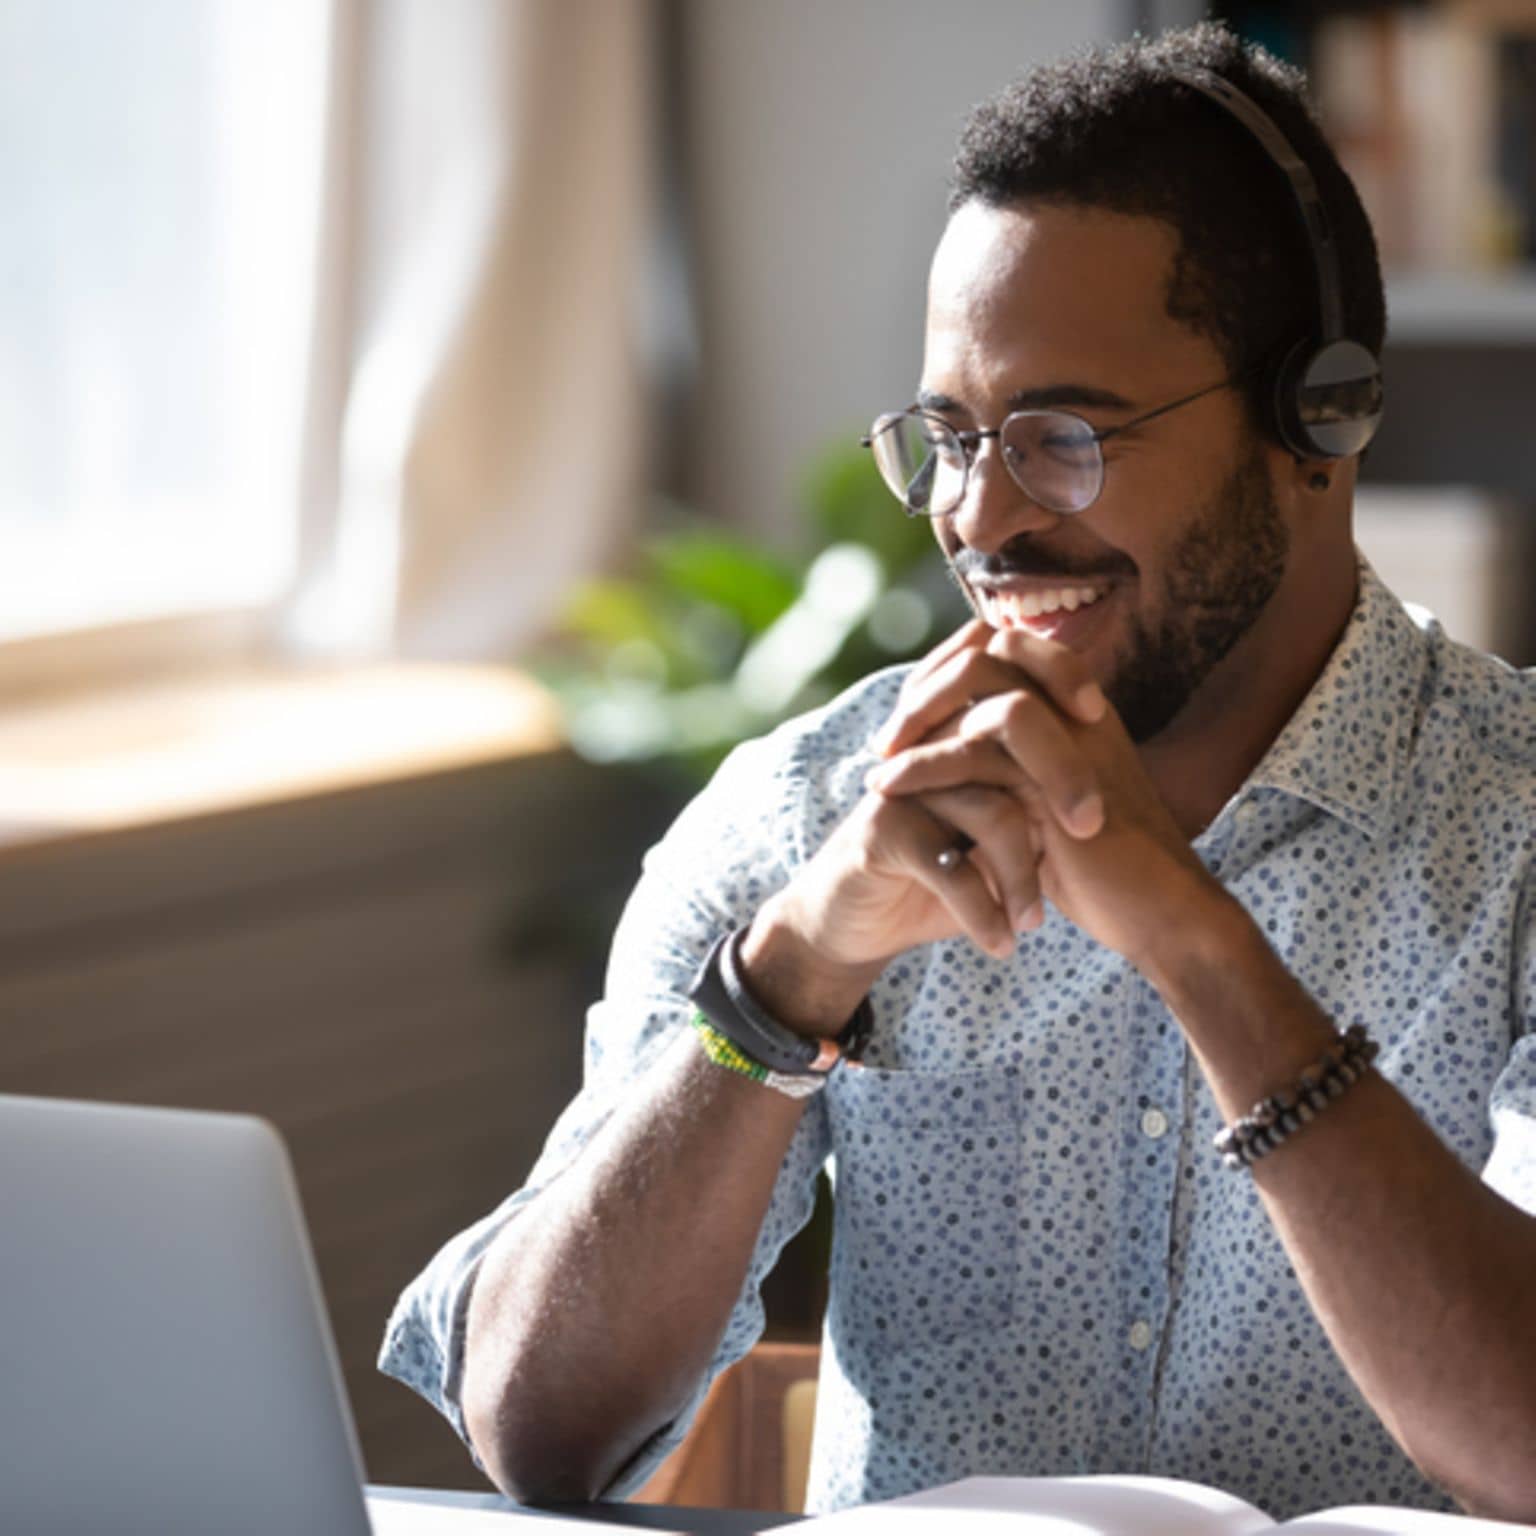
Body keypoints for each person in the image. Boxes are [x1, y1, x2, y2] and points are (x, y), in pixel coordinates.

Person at [380, 21, 1536, 1522]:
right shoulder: (810, 814)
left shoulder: (1513, 829)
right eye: (948, 436)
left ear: (1318, 422)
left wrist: (1197, 945)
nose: (982, 519)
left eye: (1064, 435)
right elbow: (534, 1434)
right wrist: (789, 979)